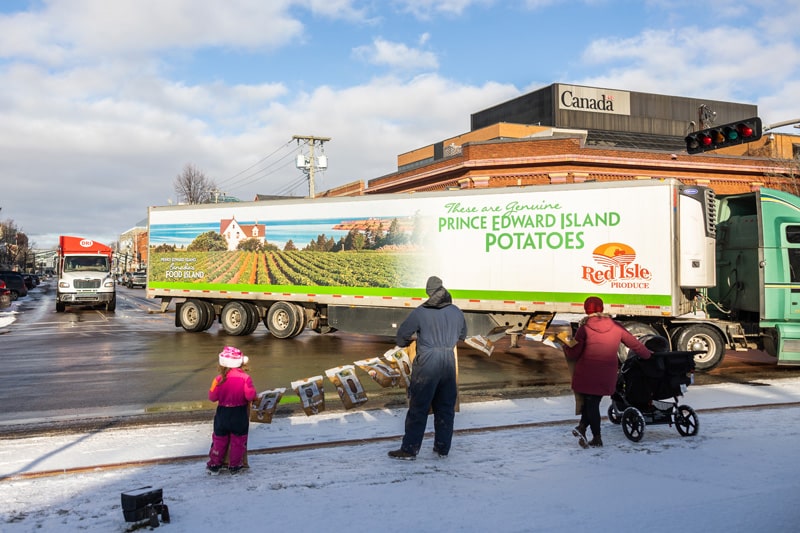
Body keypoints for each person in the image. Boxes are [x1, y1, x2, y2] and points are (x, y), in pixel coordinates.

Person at [388, 276, 467, 460]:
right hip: (448, 361)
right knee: (445, 407)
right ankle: (442, 448)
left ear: (429, 293)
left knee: (419, 407)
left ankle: (409, 450)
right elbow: (462, 335)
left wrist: (411, 342)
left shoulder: (421, 312)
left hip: (427, 363)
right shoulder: (456, 311)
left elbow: (402, 335)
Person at [564, 296, 652, 448]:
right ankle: (582, 428)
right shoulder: (616, 326)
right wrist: (649, 356)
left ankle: (596, 438)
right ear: (602, 308)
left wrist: (566, 346)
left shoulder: (584, 329)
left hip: (587, 372)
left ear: (586, 310)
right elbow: (635, 344)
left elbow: (574, 353)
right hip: (607, 373)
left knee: (591, 404)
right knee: (593, 402)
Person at [206, 346, 257, 474]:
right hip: (239, 413)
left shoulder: (218, 379)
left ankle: (214, 464)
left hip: (222, 413)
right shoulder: (245, 378)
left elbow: (212, 397)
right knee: (238, 441)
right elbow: (250, 396)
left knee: (219, 439)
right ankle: (235, 465)